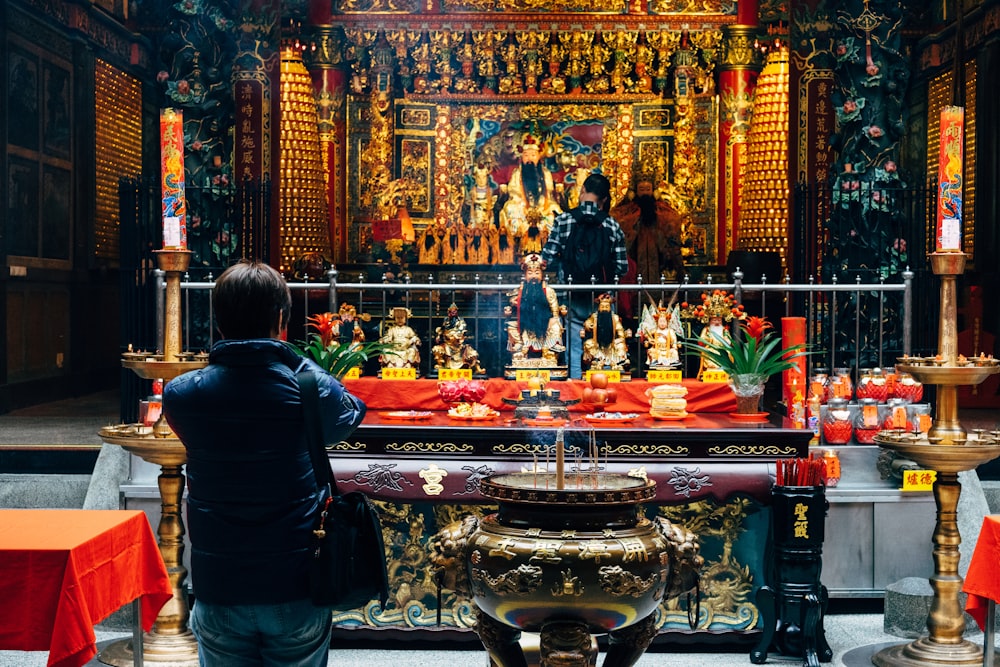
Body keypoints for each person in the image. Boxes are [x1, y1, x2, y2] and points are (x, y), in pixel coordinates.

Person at [163, 260, 366, 667]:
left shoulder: (183, 395)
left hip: (219, 586)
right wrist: (286, 355)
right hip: (293, 585)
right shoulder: (306, 388)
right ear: (281, 319)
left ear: (218, 323)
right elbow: (351, 413)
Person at [541, 172, 628, 378]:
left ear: (582, 191)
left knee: (574, 345)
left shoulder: (563, 220)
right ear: (604, 199)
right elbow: (622, 267)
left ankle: (575, 384)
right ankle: (604, 387)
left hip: (571, 294)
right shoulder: (612, 225)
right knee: (605, 344)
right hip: (603, 297)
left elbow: (548, 258)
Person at [613, 176, 685, 283]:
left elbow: (672, 236)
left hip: (657, 260)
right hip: (634, 256)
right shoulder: (627, 213)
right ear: (635, 192)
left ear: (654, 191)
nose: (645, 193)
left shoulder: (661, 212)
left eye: (648, 189)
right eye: (642, 190)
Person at [504, 252, 566, 369]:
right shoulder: (519, 291)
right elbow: (511, 309)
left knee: (556, 324)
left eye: (537, 273)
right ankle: (519, 347)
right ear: (525, 275)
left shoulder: (548, 291)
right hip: (525, 326)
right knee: (511, 325)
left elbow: (555, 312)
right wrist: (507, 312)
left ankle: (549, 350)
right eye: (530, 273)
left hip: (543, 326)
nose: (533, 276)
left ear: (542, 275)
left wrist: (559, 315)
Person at [499, 136, 563, 246]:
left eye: (533, 155)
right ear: (521, 157)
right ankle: (518, 241)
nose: (529, 158)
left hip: (542, 206)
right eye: (526, 155)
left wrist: (540, 206)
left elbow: (548, 192)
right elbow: (514, 192)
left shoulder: (545, 173)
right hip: (522, 206)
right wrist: (525, 206)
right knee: (510, 207)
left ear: (539, 157)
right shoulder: (517, 173)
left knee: (555, 211)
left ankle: (547, 241)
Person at [581, 293, 630, 371]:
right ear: (599, 307)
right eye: (602, 306)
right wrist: (588, 325)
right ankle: (596, 361)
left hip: (611, 344)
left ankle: (618, 363)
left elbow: (620, 332)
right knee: (588, 344)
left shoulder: (615, 318)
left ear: (610, 308)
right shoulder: (594, 316)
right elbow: (587, 323)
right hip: (598, 343)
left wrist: (619, 339)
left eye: (606, 307)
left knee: (621, 345)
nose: (604, 308)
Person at [432, 304, 485, 374]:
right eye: (451, 312)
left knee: (472, 353)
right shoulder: (446, 320)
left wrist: (456, 335)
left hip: (458, 343)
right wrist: (439, 335)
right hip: (448, 343)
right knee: (437, 349)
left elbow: (462, 330)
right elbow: (442, 329)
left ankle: (477, 368)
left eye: (454, 312)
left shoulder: (461, 321)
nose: (452, 313)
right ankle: (441, 365)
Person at [379, 306, 421, 371]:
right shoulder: (392, 329)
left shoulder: (408, 329)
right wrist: (385, 340)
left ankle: (407, 364)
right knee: (386, 350)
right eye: (398, 318)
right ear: (394, 319)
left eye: (402, 318)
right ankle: (391, 364)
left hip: (406, 349)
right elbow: (386, 338)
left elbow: (414, 337)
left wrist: (414, 340)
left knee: (412, 351)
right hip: (394, 350)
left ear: (405, 319)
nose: (400, 320)